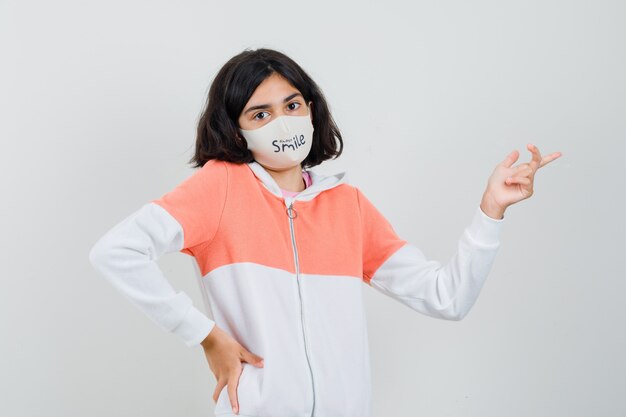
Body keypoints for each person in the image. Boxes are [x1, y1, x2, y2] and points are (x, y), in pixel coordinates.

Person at [88, 47, 562, 417]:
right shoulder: (221, 187)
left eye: (292, 104)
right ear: (236, 133)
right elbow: (116, 251)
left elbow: (447, 298)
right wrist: (205, 335)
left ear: (311, 110)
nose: (283, 121)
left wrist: (490, 210)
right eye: (260, 113)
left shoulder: (347, 206)